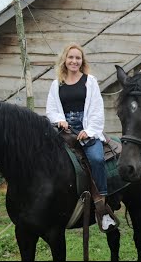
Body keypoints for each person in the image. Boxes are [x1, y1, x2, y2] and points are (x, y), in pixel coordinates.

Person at [46, 43, 118, 231]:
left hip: (86, 128)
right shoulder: (56, 84)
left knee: (96, 158)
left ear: (82, 61)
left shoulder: (90, 81)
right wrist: (60, 120)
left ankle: (102, 206)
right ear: (65, 60)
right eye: (71, 57)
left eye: (78, 58)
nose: (74, 61)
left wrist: (90, 130)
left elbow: (96, 108)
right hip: (64, 130)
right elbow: (51, 109)